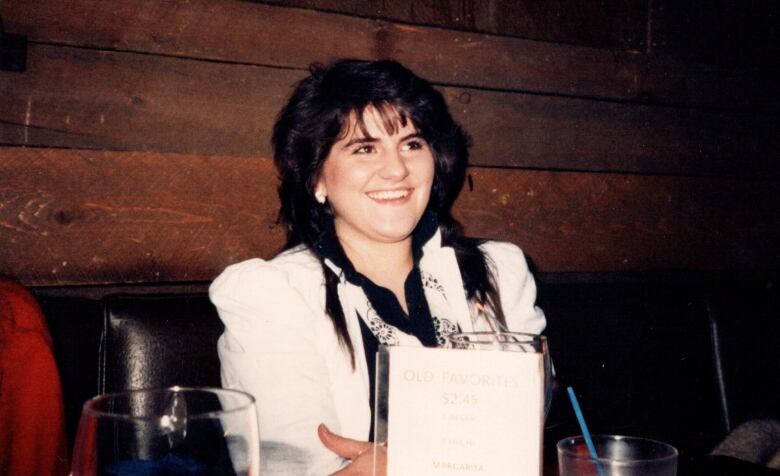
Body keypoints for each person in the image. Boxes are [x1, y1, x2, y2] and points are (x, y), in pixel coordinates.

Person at [209, 59, 545, 475]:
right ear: (317, 177)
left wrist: (402, 464)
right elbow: (290, 468)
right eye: (365, 148)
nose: (396, 169)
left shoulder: (500, 273)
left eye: (412, 144)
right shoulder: (270, 296)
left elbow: (520, 442)